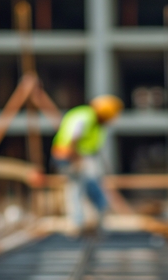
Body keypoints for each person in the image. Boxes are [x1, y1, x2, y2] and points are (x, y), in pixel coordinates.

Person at [50, 94, 124, 232]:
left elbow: (90, 144)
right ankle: (78, 223)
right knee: (77, 188)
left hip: (80, 156)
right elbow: (74, 137)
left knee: (87, 186)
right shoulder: (86, 117)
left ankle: (93, 220)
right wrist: (76, 159)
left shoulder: (95, 121)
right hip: (70, 156)